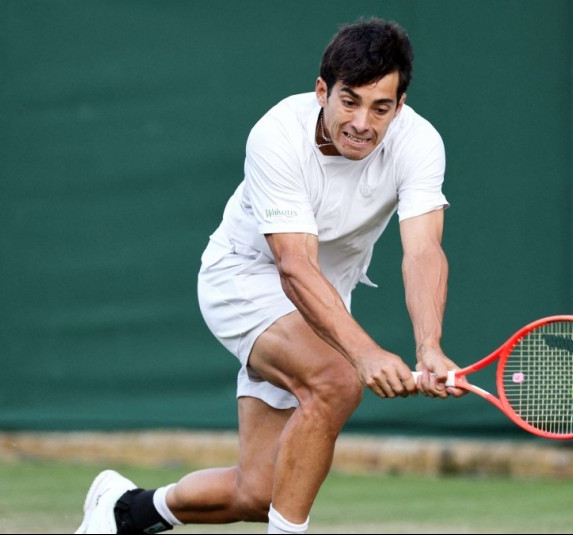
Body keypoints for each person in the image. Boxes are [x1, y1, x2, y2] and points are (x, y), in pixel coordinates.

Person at [75, 17, 464, 535]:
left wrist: (429, 346)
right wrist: (365, 353)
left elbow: (423, 251)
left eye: (380, 107)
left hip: (324, 297)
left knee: (259, 491)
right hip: (244, 279)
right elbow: (294, 265)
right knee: (336, 382)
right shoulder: (277, 135)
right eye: (349, 101)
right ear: (322, 91)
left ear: (400, 105)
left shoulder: (419, 143)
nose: (362, 123)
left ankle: (125, 511)